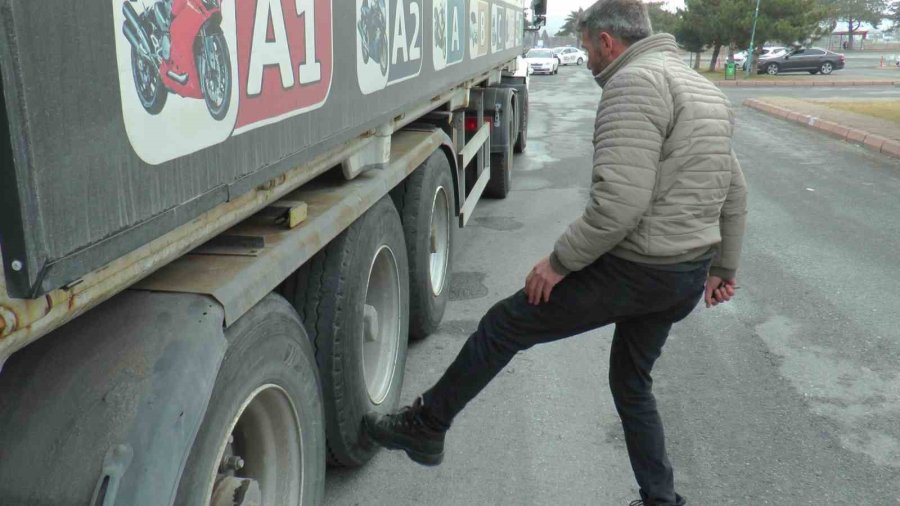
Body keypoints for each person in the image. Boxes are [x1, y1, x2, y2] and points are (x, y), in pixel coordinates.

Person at [364, 0, 748, 504]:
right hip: (683, 275)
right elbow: (735, 192)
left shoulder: (633, 84)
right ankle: (661, 499)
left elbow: (619, 206)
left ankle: (428, 424)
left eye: (587, 46)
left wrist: (559, 263)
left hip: (639, 270)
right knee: (632, 382)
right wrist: (722, 267)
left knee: (504, 325)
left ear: (608, 42)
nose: (586, 57)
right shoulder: (704, 90)